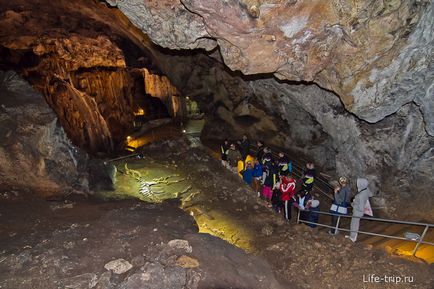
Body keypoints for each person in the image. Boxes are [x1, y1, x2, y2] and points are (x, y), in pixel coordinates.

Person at [346, 177, 373, 242]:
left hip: (358, 212)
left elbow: (360, 208)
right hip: (361, 211)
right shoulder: (366, 189)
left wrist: (353, 204)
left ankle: (352, 237)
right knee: (356, 223)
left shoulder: (360, 196)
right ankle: (353, 236)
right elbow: (370, 195)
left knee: (354, 224)